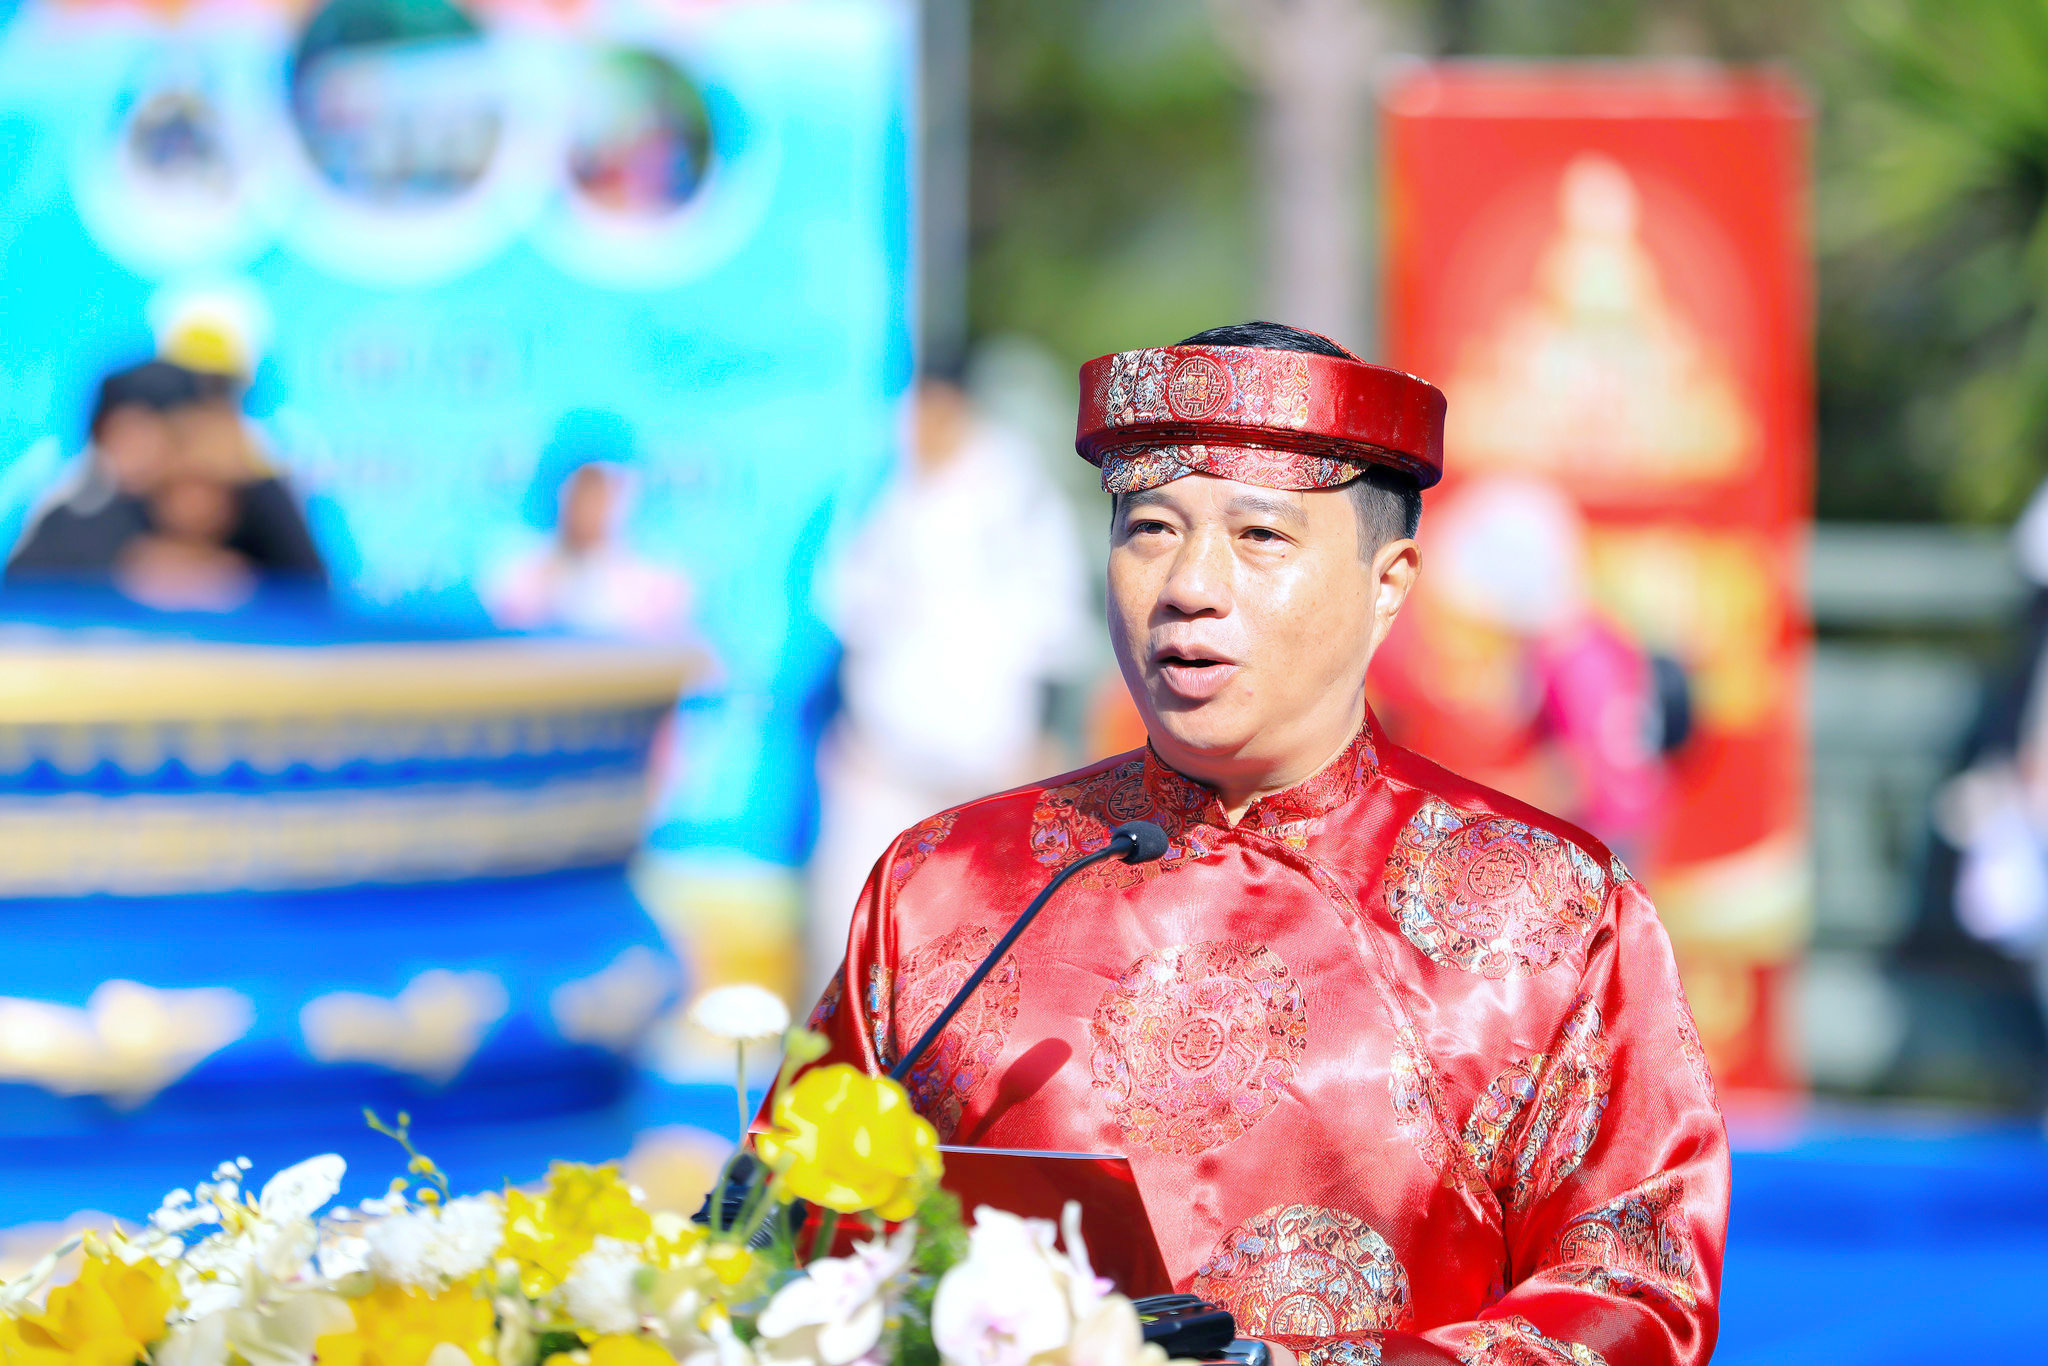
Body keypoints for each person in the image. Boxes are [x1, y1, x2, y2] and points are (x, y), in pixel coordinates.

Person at [793, 322, 1728, 1364]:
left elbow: (1635, 1292)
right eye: (1151, 529)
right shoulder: (942, 884)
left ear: (1387, 583)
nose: (1189, 583)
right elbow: (797, 1241)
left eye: (1260, 537)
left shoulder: (1549, 911)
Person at [807, 370, 1092, 993]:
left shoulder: (1015, 491)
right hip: (880, 765)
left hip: (983, 773)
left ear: (956, 406)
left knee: (975, 952)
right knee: (852, 941)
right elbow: (842, 606)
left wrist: (1047, 738)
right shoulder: (879, 486)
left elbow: (1056, 627)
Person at [483, 410, 693, 641]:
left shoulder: (657, 582)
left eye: (601, 492)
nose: (591, 506)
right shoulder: (518, 571)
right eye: (582, 490)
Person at [5, 360, 196, 580]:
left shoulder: (219, 509)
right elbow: (24, 587)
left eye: (147, 436)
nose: (136, 450)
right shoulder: (72, 513)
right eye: (123, 434)